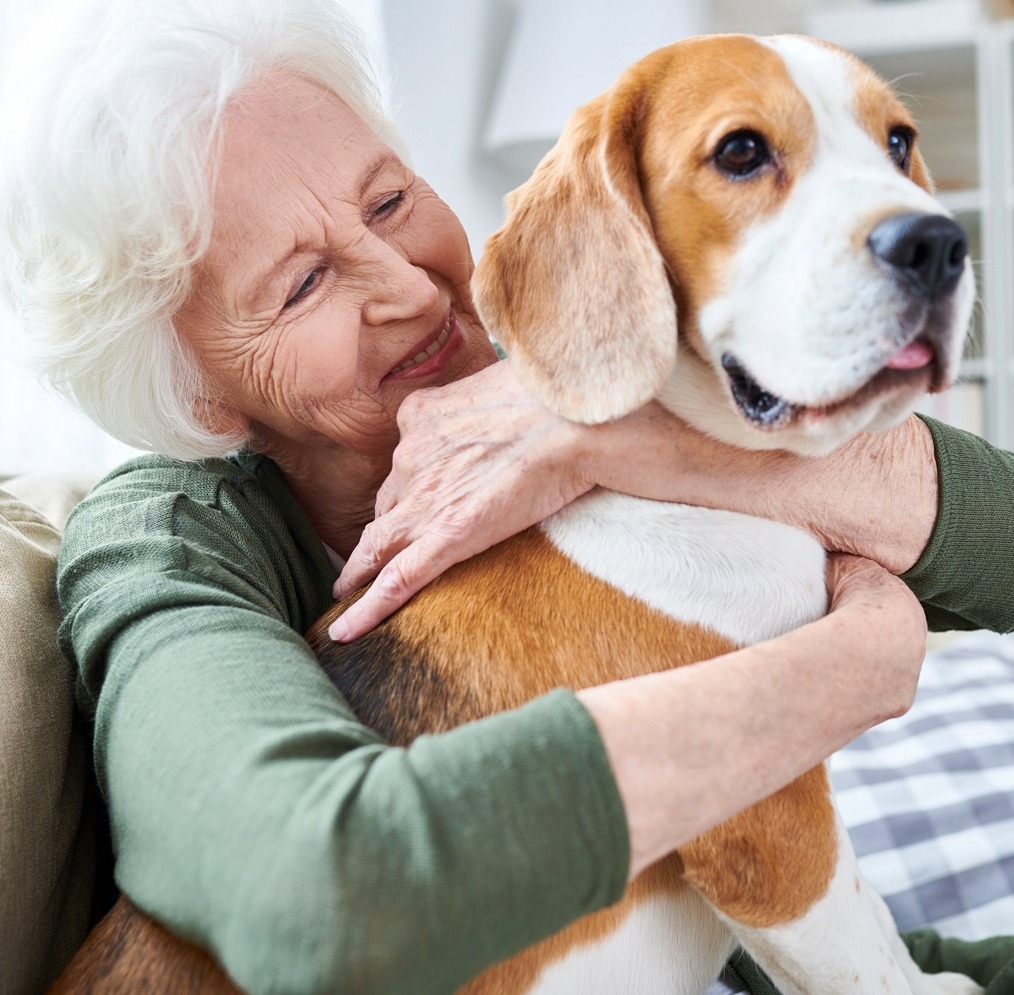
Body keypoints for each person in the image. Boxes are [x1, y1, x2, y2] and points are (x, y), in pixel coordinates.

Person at [0, 1, 1012, 993]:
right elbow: (311, 888)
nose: (403, 281)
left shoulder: (618, 397)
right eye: (303, 283)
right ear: (198, 391)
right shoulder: (162, 540)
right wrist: (854, 665)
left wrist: (613, 438)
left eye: (390, 200)